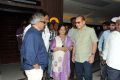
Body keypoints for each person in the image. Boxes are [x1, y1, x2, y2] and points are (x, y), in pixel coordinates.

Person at [20, 11, 48, 80]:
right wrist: (35, 64)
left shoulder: (36, 32)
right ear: (38, 22)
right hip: (34, 68)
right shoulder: (32, 34)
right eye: (44, 22)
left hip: (36, 66)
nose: (45, 24)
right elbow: (29, 52)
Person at [72, 16, 98, 80]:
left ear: (83, 22)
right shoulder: (75, 32)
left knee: (88, 76)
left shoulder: (90, 30)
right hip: (77, 58)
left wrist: (92, 55)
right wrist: (73, 55)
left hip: (87, 58)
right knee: (78, 76)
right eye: (76, 23)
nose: (76, 24)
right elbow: (75, 45)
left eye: (78, 22)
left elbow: (94, 43)